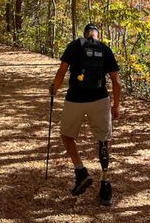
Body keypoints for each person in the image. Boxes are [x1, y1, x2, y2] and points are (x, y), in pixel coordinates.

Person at [49, 23, 121, 206]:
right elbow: (116, 82)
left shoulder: (75, 45)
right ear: (98, 35)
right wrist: (116, 106)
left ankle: (80, 171)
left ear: (84, 34)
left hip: (75, 99)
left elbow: (62, 71)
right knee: (103, 141)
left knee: (66, 135)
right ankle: (105, 184)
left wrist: (54, 89)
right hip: (100, 99)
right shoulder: (105, 49)